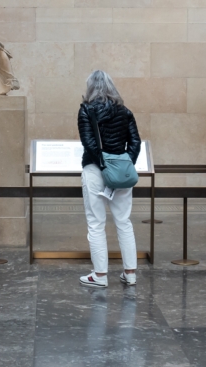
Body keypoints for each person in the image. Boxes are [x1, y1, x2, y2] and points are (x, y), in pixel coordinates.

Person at [76, 70, 141, 287]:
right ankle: (130, 273)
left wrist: (104, 166)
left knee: (96, 223)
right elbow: (135, 142)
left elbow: (89, 143)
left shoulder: (86, 109)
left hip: (95, 169)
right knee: (124, 222)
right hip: (121, 171)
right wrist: (123, 164)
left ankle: (100, 276)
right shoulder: (125, 111)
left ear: (90, 87)